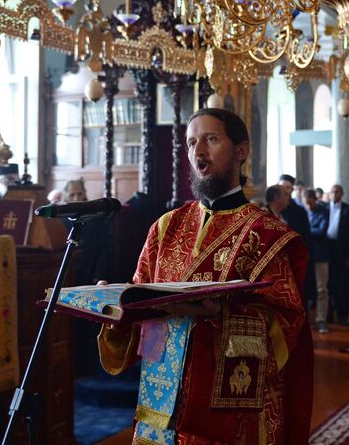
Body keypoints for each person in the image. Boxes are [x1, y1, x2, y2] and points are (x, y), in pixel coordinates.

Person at [98, 108, 312, 444]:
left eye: (210, 139)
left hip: (231, 410)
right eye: (191, 142)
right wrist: (113, 304)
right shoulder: (166, 227)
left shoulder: (266, 234)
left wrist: (221, 315)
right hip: (162, 401)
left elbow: (286, 324)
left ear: (241, 151)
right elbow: (140, 298)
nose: (198, 152)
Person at [326, 184, 349, 326]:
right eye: (332, 192)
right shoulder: (323, 208)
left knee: (342, 287)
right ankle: (328, 315)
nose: (334, 194)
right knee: (327, 285)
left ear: (342, 194)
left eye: (337, 192)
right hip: (327, 251)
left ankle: (343, 316)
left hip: (343, 252)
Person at [277, 174, 313, 303]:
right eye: (283, 187)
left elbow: (306, 235)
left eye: (288, 187)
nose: (285, 190)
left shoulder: (299, 211)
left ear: (292, 189)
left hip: (295, 257)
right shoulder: (270, 208)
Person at [303, 189, 330, 334]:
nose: (309, 207)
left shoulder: (323, 211)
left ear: (315, 200)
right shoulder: (301, 212)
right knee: (304, 287)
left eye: (310, 204)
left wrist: (306, 232)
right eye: (306, 204)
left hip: (320, 255)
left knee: (321, 289)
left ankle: (321, 319)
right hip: (305, 255)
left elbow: (322, 230)